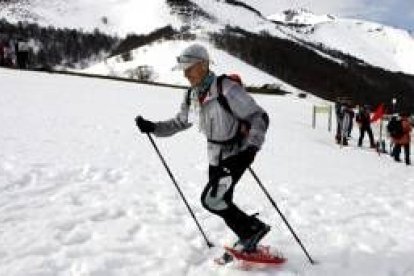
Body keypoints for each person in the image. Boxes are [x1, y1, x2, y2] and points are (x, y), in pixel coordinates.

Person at [135, 44, 271, 256]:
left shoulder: (227, 89)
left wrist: (250, 151)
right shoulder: (192, 95)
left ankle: (253, 229)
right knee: (222, 201)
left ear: (204, 65)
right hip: (214, 156)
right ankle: (247, 236)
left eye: (189, 68)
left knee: (211, 200)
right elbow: (180, 122)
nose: (185, 73)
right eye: (183, 69)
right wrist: (153, 127)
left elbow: (259, 117)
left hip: (237, 155)